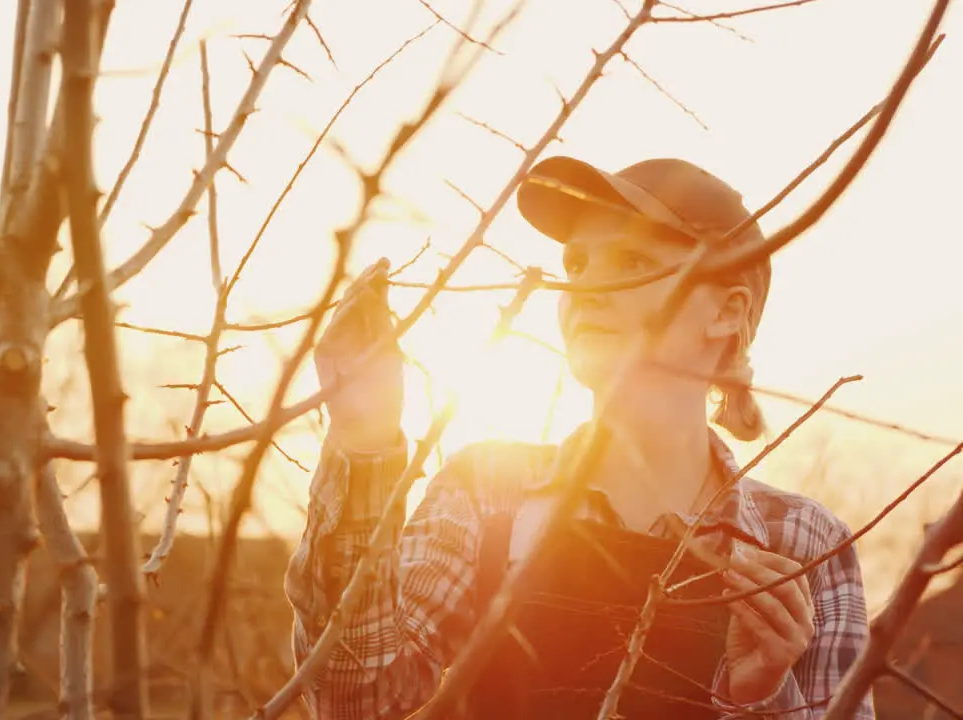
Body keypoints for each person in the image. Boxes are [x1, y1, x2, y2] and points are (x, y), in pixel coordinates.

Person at [285, 155, 875, 719]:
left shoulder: (803, 545)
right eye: (577, 265)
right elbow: (354, 703)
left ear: (726, 313)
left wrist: (759, 700)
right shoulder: (488, 492)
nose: (585, 288)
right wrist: (363, 440)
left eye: (632, 263)